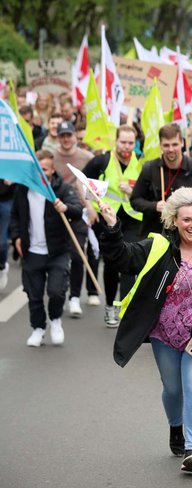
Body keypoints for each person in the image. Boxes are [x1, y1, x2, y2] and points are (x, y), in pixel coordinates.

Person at [99, 187, 192, 473]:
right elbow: (122, 258)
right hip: (165, 334)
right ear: (174, 220)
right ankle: (176, 427)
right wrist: (112, 227)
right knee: (173, 390)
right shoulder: (158, 247)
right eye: (187, 220)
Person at [10, 150, 83, 346]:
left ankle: (55, 320)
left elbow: (77, 209)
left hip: (57, 251)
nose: (41, 174)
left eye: (45, 170)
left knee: (56, 291)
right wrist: (16, 236)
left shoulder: (61, 189)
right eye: (37, 169)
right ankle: (38, 328)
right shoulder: (23, 189)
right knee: (33, 294)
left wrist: (65, 208)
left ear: (52, 171)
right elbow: (15, 215)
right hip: (32, 251)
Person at [83, 125, 148, 327]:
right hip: (107, 218)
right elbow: (83, 182)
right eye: (123, 142)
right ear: (116, 141)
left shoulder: (142, 165)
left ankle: (125, 308)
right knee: (111, 265)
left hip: (132, 219)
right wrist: (89, 207)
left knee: (129, 262)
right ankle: (110, 306)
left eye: (131, 143)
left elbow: (149, 191)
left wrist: (132, 189)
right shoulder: (102, 161)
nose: (127, 147)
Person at [130, 123, 192, 238]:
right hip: (153, 235)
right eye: (166, 145)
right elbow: (135, 200)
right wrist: (154, 206)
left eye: (175, 144)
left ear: (182, 143)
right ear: (160, 145)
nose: (171, 149)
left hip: (185, 238)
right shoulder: (149, 168)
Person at [52, 120, 98, 316]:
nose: (66, 139)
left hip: (79, 210)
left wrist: (91, 206)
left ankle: (75, 297)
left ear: (74, 137)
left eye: (69, 135)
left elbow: (91, 185)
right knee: (56, 256)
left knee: (79, 255)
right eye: (62, 136)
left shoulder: (86, 157)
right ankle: (60, 292)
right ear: (58, 137)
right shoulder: (51, 156)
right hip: (55, 210)